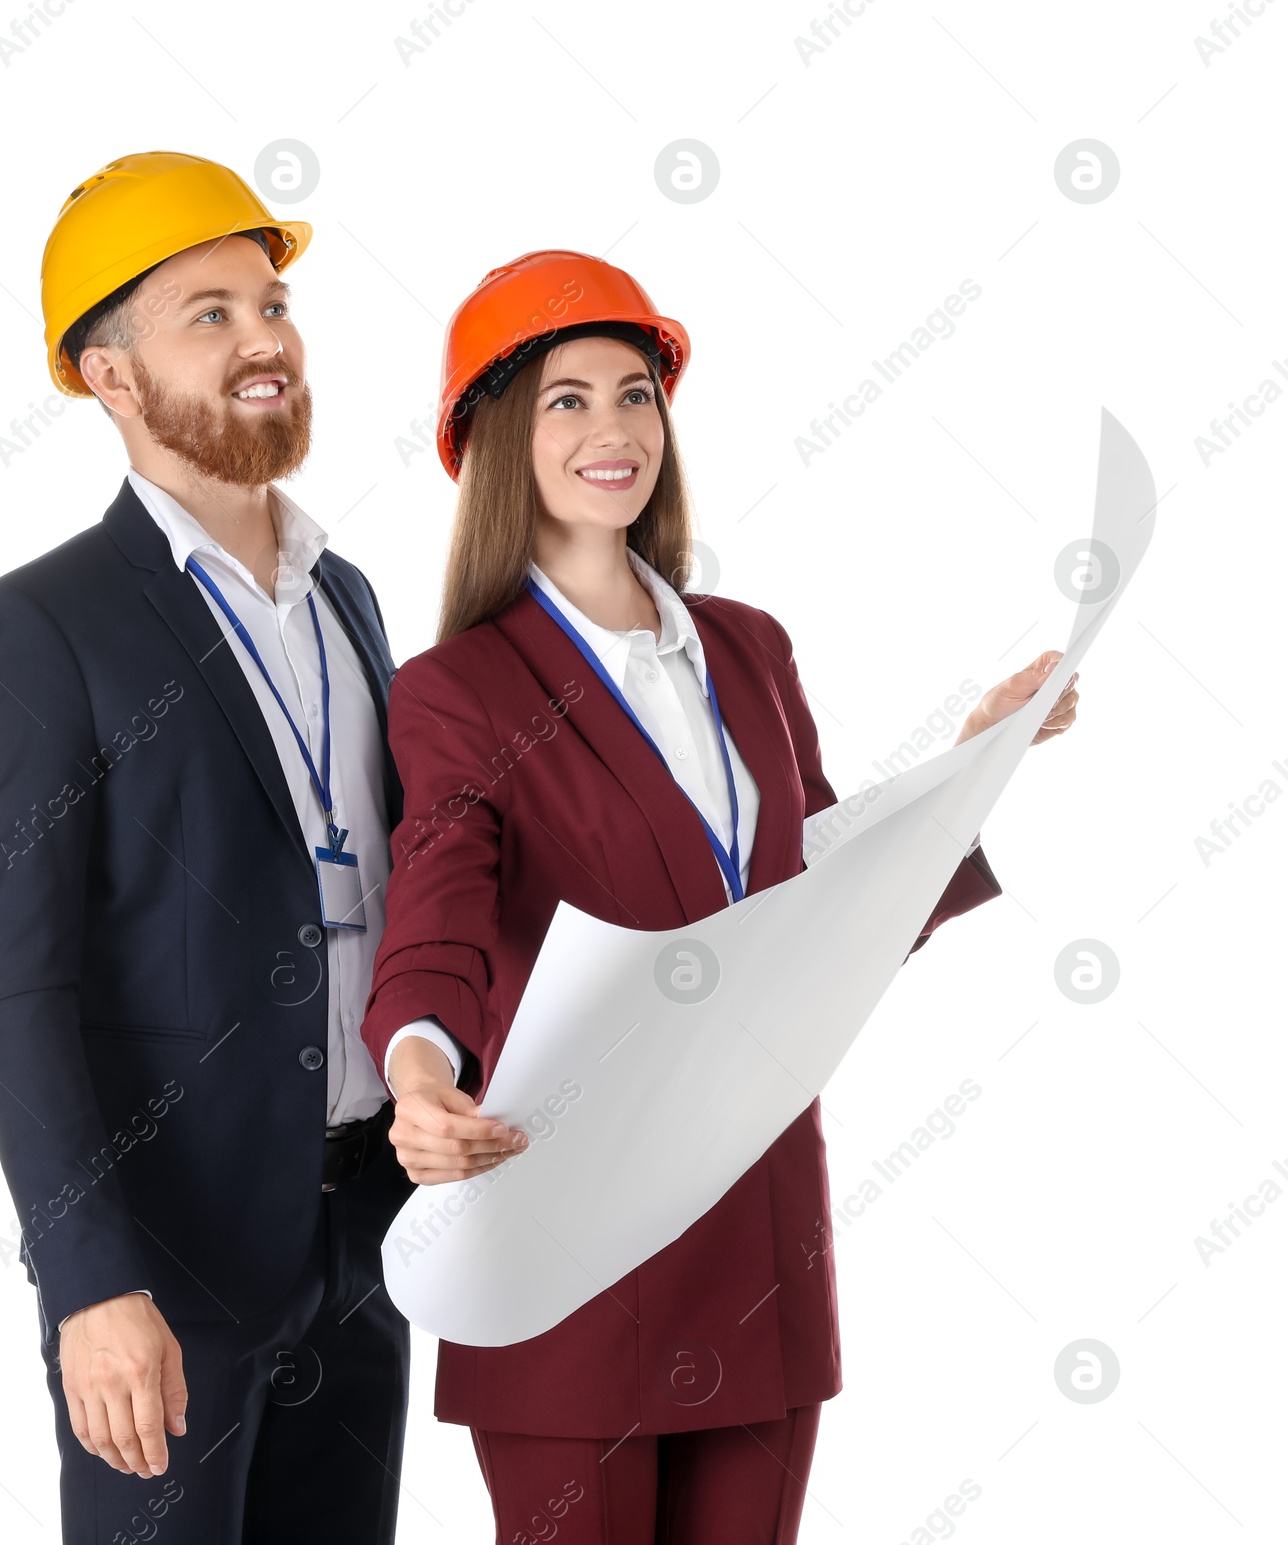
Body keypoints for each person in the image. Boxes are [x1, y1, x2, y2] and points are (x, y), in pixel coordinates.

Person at [360, 249, 1080, 1545]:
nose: (612, 429)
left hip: (757, 1248)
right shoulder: (458, 689)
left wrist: (976, 764)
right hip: (570, 1260)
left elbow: (819, 915)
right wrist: (420, 1072)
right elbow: (440, 903)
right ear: (499, 438)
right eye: (566, 399)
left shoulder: (747, 646)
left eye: (634, 393)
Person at [0, 151, 413, 1545]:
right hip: (167, 1268)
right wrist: (89, 1283)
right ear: (109, 374)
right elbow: (19, 994)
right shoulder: (40, 628)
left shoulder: (352, 598)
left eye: (270, 302)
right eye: (208, 313)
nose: (264, 335)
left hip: (370, 1236)